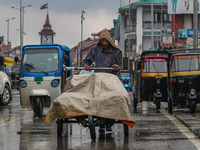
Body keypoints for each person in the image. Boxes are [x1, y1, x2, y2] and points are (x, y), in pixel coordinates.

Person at [82, 29, 122, 132]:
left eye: (106, 42)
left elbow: (120, 64)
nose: (104, 44)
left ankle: (109, 123)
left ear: (109, 41)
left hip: (112, 79)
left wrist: (117, 66)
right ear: (100, 42)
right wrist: (86, 65)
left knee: (113, 100)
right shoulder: (95, 49)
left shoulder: (116, 51)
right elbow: (87, 60)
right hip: (99, 78)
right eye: (102, 42)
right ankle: (100, 122)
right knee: (98, 100)